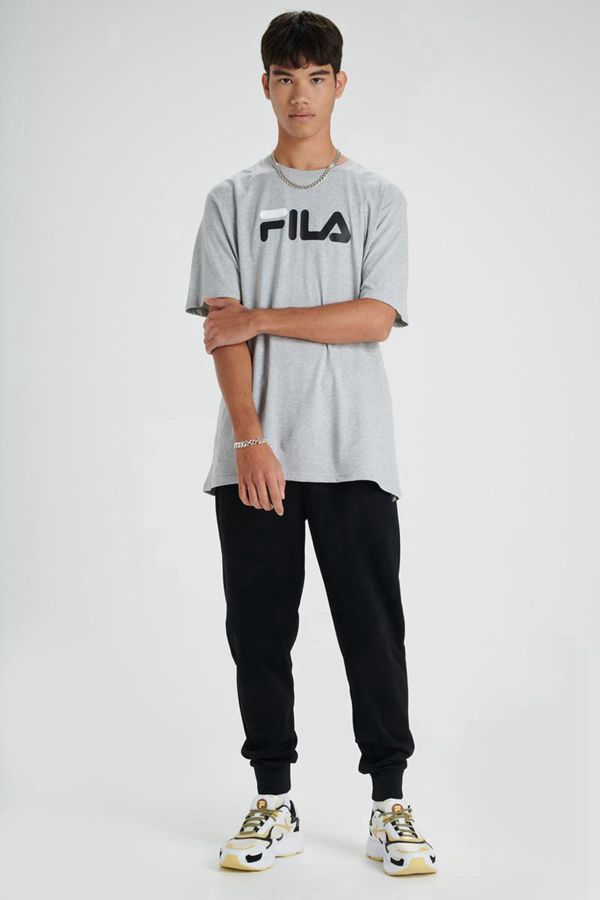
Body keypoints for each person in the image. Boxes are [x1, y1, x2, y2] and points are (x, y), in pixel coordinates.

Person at [185, 10, 437, 877]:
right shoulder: (231, 200)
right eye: (286, 77)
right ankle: (274, 800)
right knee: (259, 633)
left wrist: (263, 316)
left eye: (316, 77)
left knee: (373, 633)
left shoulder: (376, 198)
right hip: (256, 456)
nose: (302, 94)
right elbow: (222, 334)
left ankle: (390, 806)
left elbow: (375, 317)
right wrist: (249, 436)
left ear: (339, 84)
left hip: (354, 448)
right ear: (266, 86)